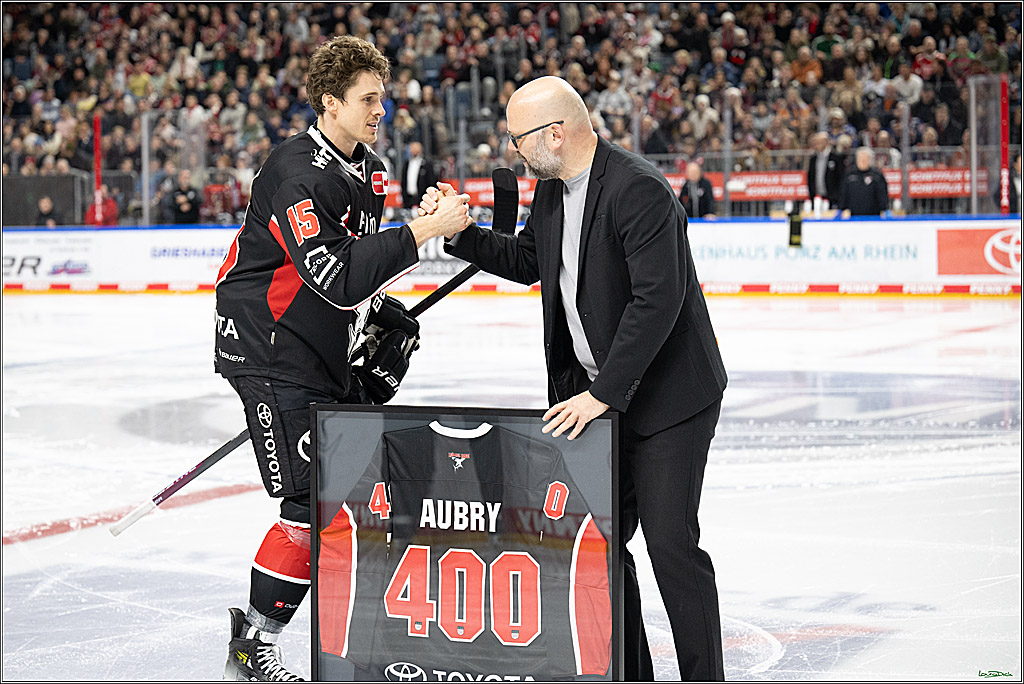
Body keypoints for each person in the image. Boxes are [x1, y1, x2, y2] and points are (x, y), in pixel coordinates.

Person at [421, 76, 727, 681]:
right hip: (596, 398)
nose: (514, 151)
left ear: (554, 134)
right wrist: (459, 235)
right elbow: (530, 261)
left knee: (670, 548)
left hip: (667, 402)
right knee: (601, 548)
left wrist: (602, 395)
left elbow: (657, 302)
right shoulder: (553, 191)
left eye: (518, 138)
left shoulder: (638, 189)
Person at [214, 36, 472, 682]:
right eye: (367, 99)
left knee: (356, 479)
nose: (380, 109)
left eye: (382, 97)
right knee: (309, 500)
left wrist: (380, 309)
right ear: (330, 102)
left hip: (317, 343)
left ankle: (360, 625)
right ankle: (251, 645)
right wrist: (418, 234)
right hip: (267, 347)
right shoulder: (294, 171)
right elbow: (330, 273)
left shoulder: (370, 171)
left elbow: (355, 266)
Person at [839, 147, 889, 217]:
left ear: (869, 160)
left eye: (865, 159)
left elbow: (882, 194)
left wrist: (884, 209)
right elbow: (843, 193)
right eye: (860, 159)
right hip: (853, 216)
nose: (862, 161)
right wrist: (843, 208)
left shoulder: (877, 176)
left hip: (873, 216)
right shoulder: (849, 175)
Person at [806, 131, 844, 208]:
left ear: (826, 142)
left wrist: (837, 195)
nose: (817, 144)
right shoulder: (813, 159)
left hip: (832, 198)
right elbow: (810, 178)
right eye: (816, 142)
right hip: (817, 198)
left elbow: (841, 177)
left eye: (820, 142)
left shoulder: (836, 157)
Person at [400, 140, 438, 213]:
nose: (413, 150)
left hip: (423, 200)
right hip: (409, 200)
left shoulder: (426, 165)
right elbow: (404, 182)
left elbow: (432, 182)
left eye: (415, 148)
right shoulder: (407, 164)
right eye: (412, 148)